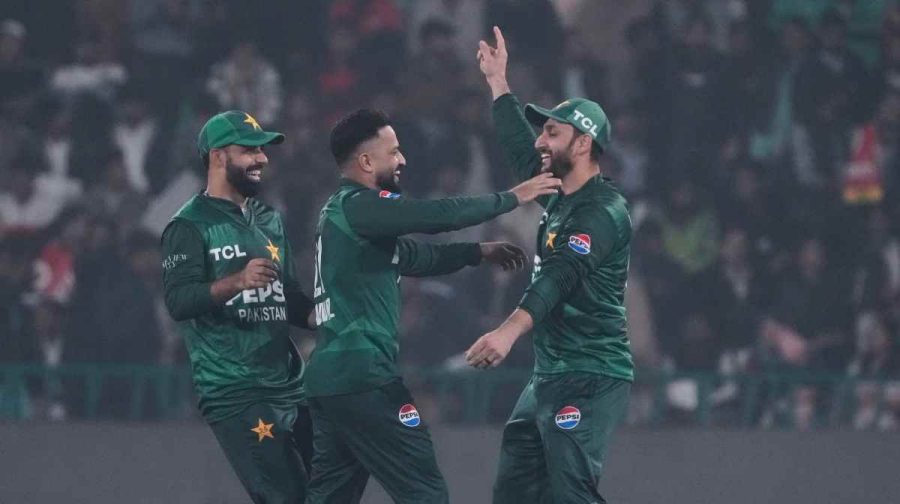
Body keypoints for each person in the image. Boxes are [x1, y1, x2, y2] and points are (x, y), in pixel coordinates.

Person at [304, 108, 561, 503]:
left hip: (331, 379)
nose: (403, 160)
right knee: (424, 491)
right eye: (393, 152)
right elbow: (434, 215)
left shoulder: (344, 216)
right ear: (366, 161)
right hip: (363, 375)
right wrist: (512, 198)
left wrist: (477, 252)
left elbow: (415, 257)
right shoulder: (359, 204)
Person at [466, 27, 633, 503]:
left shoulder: (602, 211)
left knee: (571, 492)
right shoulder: (560, 195)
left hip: (591, 373)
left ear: (583, 144)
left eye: (552, 132)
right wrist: (498, 82)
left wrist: (507, 333)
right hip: (550, 374)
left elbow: (560, 277)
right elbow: (523, 155)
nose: (541, 140)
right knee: (514, 491)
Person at [161, 110, 315, 503]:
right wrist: (237, 282)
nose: (262, 158)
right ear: (217, 156)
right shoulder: (189, 225)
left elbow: (290, 296)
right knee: (287, 497)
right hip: (236, 390)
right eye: (249, 150)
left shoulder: (269, 219)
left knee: (334, 484)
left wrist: (326, 315)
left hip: (291, 385)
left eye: (262, 150)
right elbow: (179, 301)